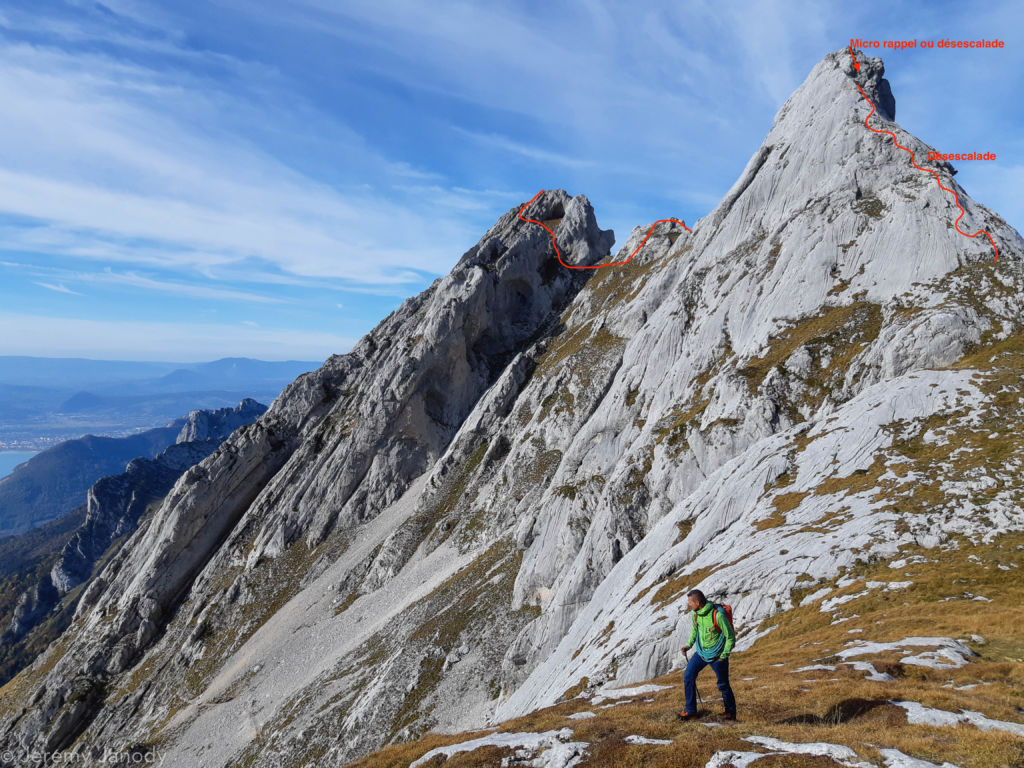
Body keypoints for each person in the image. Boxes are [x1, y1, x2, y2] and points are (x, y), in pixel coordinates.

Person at [676, 589, 736, 721]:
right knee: (688, 676)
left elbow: (730, 636)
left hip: (718, 655)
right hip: (702, 653)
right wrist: (689, 645)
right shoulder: (696, 614)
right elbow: (695, 631)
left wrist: (723, 656)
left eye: (690, 602)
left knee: (723, 685)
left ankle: (730, 713)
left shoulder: (717, 615)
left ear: (697, 602)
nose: (689, 605)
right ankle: (691, 712)